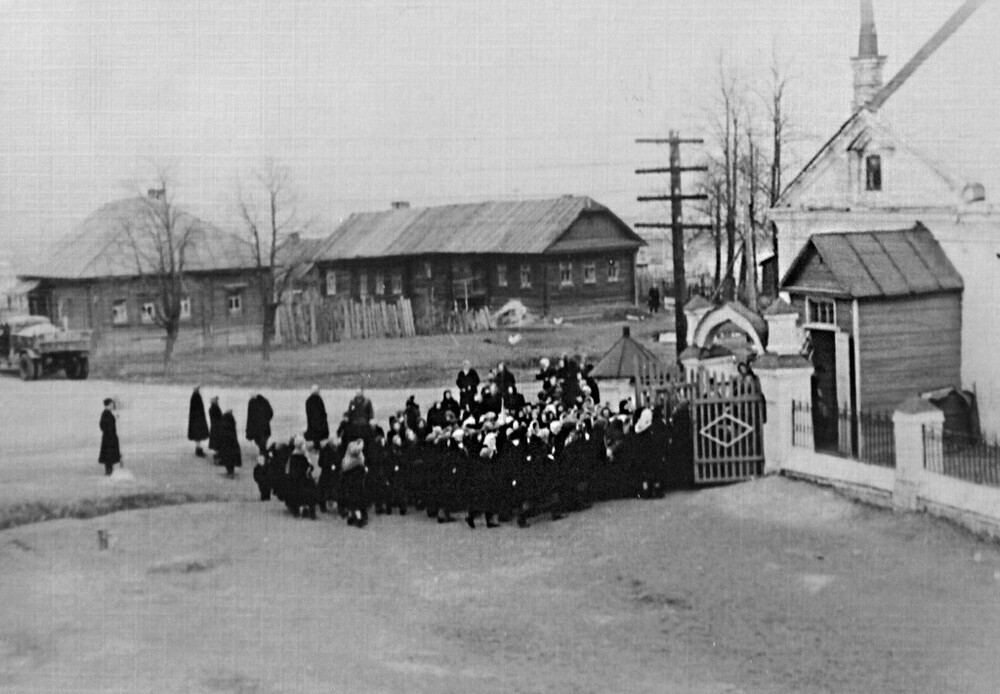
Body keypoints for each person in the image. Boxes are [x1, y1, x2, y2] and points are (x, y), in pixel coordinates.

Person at [245, 393, 274, 459]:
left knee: (260, 443)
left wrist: (249, 429)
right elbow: (270, 413)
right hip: (264, 428)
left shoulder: (251, 403)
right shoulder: (265, 401)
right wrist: (266, 420)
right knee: (263, 443)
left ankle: (264, 456)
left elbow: (249, 417)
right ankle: (265, 455)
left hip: (256, 428)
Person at [98, 398, 121, 476]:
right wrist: (109, 433)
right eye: (112, 404)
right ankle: (109, 472)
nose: (113, 406)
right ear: (108, 405)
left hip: (109, 437)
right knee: (109, 456)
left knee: (109, 456)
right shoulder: (106, 414)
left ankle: (109, 472)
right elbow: (103, 426)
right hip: (109, 438)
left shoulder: (107, 413)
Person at [187, 386, 210, 458]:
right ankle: (198, 450)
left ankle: (198, 449)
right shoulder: (196, 396)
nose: (198, 390)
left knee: (197, 435)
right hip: (197, 419)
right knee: (198, 435)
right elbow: (197, 409)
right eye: (197, 389)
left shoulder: (195, 396)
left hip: (196, 419)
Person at [218, 409, 242, 478]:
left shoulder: (224, 421)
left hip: (226, 443)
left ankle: (230, 473)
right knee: (231, 458)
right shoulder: (231, 421)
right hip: (233, 442)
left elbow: (221, 431)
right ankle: (231, 472)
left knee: (227, 458)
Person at [304, 385, 329, 450]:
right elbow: (322, 412)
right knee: (318, 438)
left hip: (313, 423)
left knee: (315, 437)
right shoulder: (318, 400)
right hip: (318, 423)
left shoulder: (309, 401)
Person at [207, 396, 223, 463]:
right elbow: (219, 417)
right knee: (217, 443)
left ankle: (217, 458)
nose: (217, 401)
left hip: (214, 427)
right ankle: (217, 459)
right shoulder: (215, 408)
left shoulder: (212, 408)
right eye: (216, 400)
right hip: (217, 427)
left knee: (216, 443)